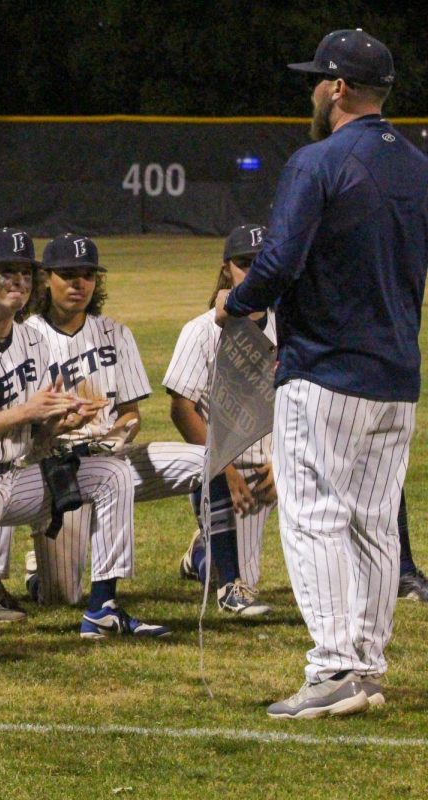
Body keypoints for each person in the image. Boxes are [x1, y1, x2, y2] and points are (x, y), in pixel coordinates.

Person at [216, 29, 428, 719]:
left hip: (325, 369)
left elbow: (277, 264)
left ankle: (335, 665)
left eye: (317, 79)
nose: (312, 89)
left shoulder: (319, 160)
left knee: (313, 518)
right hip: (396, 375)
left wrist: (235, 305)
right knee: (373, 524)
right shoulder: (419, 166)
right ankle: (364, 668)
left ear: (337, 88)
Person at [0, 228, 163, 638]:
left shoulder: (31, 339)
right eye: (7, 272)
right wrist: (26, 412)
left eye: (26, 274)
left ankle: (102, 607)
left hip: (13, 483)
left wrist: (58, 424)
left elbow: (35, 435)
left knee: (111, 474)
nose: (18, 282)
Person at [18, 234, 203, 606]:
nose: (79, 284)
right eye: (68, 274)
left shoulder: (116, 333)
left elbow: (131, 413)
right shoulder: (25, 338)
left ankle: (211, 556)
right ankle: (40, 568)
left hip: (113, 457)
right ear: (46, 279)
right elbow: (23, 425)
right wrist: (57, 427)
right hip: (57, 468)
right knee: (60, 597)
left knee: (209, 461)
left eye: (88, 275)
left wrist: (122, 433)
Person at [165, 224, 276, 617]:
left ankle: (202, 548)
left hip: (275, 466)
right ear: (227, 269)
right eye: (245, 263)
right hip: (220, 470)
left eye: (263, 263)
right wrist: (220, 463)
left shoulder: (293, 328)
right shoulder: (199, 332)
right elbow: (182, 408)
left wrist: (286, 465)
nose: (255, 272)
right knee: (243, 577)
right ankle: (213, 563)